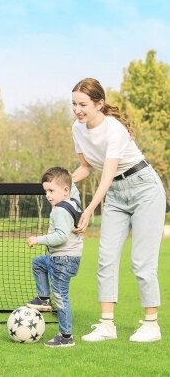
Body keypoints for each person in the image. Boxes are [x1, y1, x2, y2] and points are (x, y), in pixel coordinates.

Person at [71, 78, 166, 343]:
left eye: (83, 104)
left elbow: (107, 174)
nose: (77, 110)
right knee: (106, 258)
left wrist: (89, 209)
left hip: (144, 189)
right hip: (115, 194)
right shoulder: (77, 129)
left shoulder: (114, 129)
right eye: (74, 104)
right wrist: (63, 181)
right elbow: (86, 167)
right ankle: (107, 325)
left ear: (99, 104)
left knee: (141, 261)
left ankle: (151, 324)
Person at [27, 167, 83, 347]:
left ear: (65, 190)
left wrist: (38, 239)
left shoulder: (59, 210)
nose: (48, 196)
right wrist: (65, 176)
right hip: (67, 258)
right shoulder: (74, 202)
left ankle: (66, 336)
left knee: (60, 297)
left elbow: (61, 236)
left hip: (63, 260)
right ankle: (43, 298)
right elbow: (73, 188)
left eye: (51, 191)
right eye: (46, 191)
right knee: (38, 263)